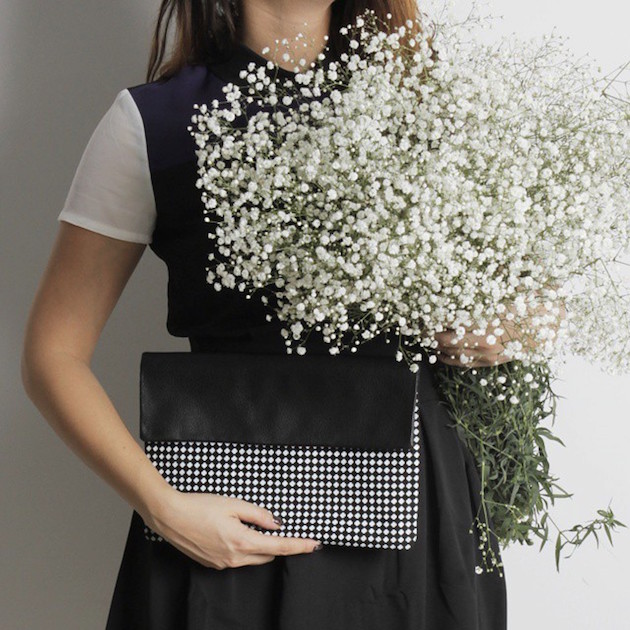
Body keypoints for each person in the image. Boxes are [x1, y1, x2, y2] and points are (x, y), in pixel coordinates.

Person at [20, 1, 509, 628]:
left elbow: (519, 291)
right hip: (226, 524)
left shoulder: (431, 104)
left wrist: (507, 329)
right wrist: (163, 507)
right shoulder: (154, 122)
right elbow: (52, 355)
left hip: (415, 516)